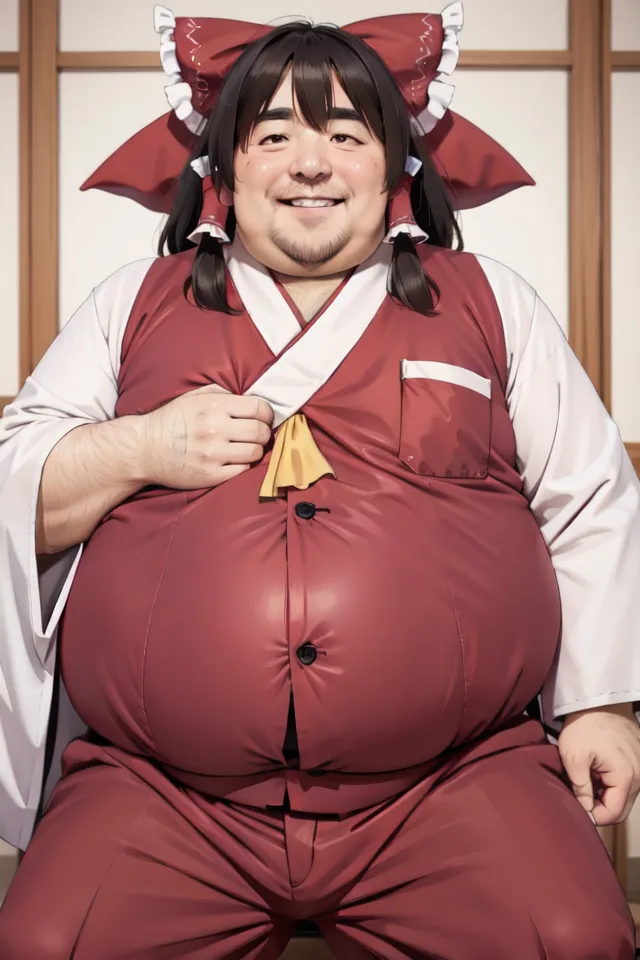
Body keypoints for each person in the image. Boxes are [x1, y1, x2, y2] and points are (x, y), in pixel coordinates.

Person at [0, 2, 639, 956]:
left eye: (346, 134)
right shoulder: (129, 306)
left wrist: (601, 703)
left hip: (453, 780)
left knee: (574, 939)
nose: (310, 163)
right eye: (273, 136)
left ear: (394, 166)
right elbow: (17, 483)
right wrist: (140, 447)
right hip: (164, 791)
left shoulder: (490, 302)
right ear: (221, 166)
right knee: (47, 943)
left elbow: (588, 499)